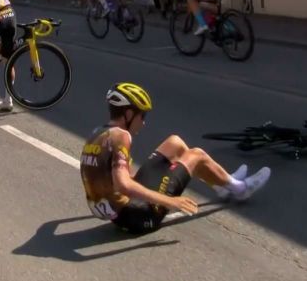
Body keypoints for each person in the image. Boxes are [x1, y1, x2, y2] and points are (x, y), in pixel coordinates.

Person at [79, 82, 271, 234]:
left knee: (175, 142)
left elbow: (106, 181)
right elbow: (123, 185)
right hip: (138, 217)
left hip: (119, 213)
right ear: (129, 114)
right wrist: (170, 202)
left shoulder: (99, 133)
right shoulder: (121, 136)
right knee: (196, 155)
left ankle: (221, 184)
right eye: (142, 116)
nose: (143, 123)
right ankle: (240, 189)